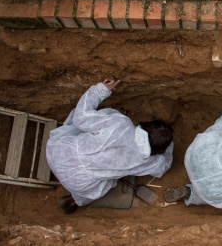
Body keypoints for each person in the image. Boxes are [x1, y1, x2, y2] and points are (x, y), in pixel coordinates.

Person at [46, 79, 174, 214]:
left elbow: (81, 117)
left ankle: (75, 196)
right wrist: (168, 146)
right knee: (107, 182)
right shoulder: (146, 161)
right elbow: (162, 166)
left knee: (88, 126)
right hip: (77, 182)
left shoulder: (120, 124)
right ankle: (74, 199)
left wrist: (100, 90)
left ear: (147, 125)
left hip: (57, 152)